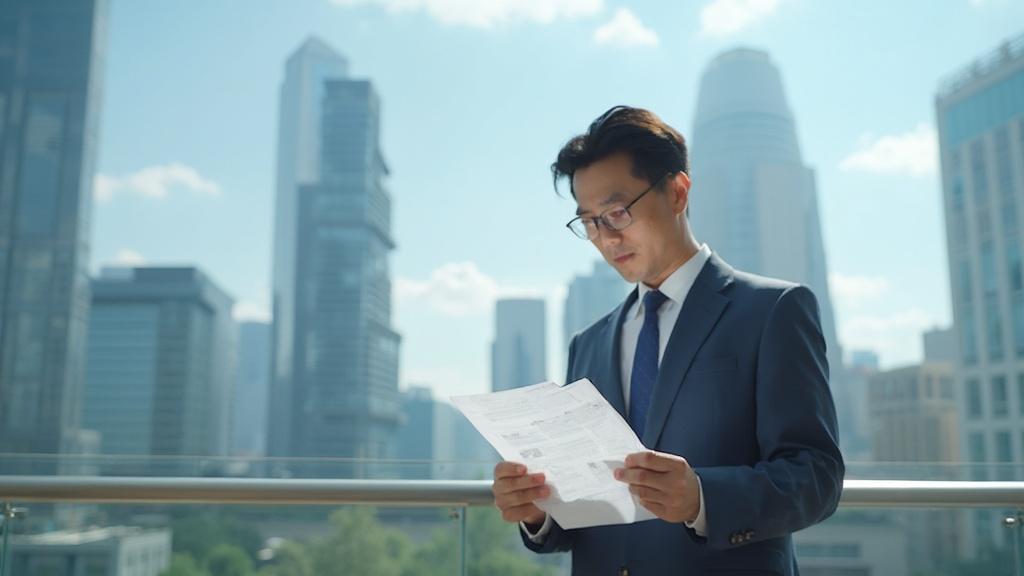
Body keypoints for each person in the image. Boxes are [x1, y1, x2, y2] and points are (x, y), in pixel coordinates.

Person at [491, 106, 844, 575]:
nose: (606, 238)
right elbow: (588, 516)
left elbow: (816, 478)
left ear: (677, 192)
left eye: (617, 213)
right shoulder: (589, 343)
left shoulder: (773, 311)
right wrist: (538, 511)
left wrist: (702, 498)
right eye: (590, 222)